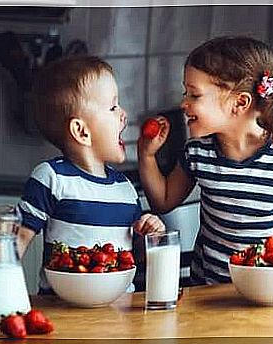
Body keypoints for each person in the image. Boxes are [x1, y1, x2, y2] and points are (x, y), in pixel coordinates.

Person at [138, 36, 273, 284]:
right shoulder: (198, 152)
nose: (183, 103)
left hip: (265, 291)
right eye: (185, 93)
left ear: (240, 103)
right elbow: (163, 201)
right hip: (207, 293)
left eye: (194, 95)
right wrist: (146, 155)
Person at [15, 56, 165, 294]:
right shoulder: (51, 178)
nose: (123, 114)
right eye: (113, 107)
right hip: (61, 316)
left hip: (119, 316)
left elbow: (134, 257)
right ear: (81, 131)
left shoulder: (125, 189)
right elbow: (17, 242)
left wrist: (151, 237)